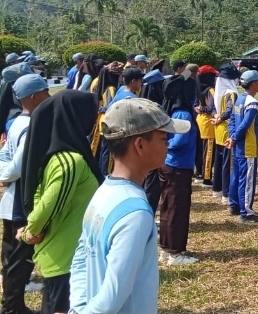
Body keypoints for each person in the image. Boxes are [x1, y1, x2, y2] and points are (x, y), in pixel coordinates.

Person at [69, 98, 190, 314]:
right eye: (164, 137)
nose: (169, 144)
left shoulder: (103, 192)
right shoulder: (136, 213)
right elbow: (113, 296)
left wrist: (78, 309)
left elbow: (80, 260)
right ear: (140, 145)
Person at [18, 90, 103, 314]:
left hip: (66, 255)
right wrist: (30, 232)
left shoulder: (62, 156)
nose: (95, 119)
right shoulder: (70, 161)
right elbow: (46, 205)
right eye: (91, 113)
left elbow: (37, 194)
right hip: (65, 258)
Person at [0, 74, 49, 314]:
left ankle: (10, 304)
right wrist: (5, 175)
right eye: (46, 92)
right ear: (34, 96)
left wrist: (3, 173)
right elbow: (16, 167)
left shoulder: (15, 122)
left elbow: (4, 156)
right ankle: (14, 308)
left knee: (10, 256)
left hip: (11, 200)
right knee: (20, 258)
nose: (48, 97)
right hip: (21, 200)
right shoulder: (31, 126)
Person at [159, 72, 199, 266]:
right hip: (178, 167)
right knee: (177, 209)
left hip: (170, 165)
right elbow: (179, 141)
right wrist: (167, 145)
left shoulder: (172, 111)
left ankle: (166, 247)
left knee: (167, 208)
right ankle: (175, 252)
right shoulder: (183, 114)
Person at [226, 70, 258, 223]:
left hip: (238, 146)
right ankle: (246, 212)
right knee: (247, 180)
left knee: (236, 175)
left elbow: (233, 122)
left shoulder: (239, 100)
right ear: (254, 84)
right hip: (247, 146)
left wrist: (232, 137)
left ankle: (234, 205)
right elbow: (245, 125)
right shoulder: (252, 103)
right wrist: (234, 137)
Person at [211, 64, 240, 203]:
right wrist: (221, 118)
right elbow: (230, 111)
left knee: (219, 160)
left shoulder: (219, 91)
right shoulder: (231, 93)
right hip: (227, 129)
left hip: (218, 129)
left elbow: (215, 108)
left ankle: (217, 188)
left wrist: (217, 117)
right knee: (227, 164)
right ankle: (226, 194)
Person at [140, 68, 167, 213]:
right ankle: (148, 213)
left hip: (142, 151)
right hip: (152, 151)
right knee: (152, 185)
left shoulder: (142, 104)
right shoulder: (156, 107)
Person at [91, 63, 123, 177]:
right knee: (107, 152)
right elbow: (111, 106)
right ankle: (105, 173)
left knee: (102, 149)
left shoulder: (98, 83)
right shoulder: (111, 89)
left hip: (101, 120)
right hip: (108, 121)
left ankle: (100, 170)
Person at [195, 65, 218, 188]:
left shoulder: (198, 88)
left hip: (200, 120)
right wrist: (203, 109)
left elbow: (195, 104)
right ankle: (207, 178)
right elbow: (211, 108)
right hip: (208, 123)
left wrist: (199, 108)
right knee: (209, 151)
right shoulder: (211, 90)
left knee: (200, 149)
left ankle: (200, 173)